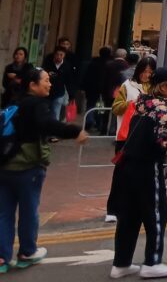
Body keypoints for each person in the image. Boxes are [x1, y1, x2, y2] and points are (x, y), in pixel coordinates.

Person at [0, 67, 87, 271]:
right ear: (33, 85)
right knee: (29, 211)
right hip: (27, 166)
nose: (50, 84)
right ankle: (27, 252)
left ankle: (2, 258)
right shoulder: (37, 105)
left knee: (4, 213)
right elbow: (48, 124)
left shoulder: (14, 102)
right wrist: (75, 131)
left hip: (4, 166)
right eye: (46, 81)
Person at [108, 67, 167, 279]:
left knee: (129, 215)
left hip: (127, 164)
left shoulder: (141, 101)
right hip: (148, 166)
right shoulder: (161, 108)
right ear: (165, 86)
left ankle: (121, 263)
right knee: (157, 213)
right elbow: (165, 142)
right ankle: (152, 262)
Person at [105, 56, 157, 223]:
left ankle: (135, 208)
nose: (147, 75)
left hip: (146, 137)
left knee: (142, 175)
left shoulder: (154, 89)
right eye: (144, 71)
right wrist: (133, 104)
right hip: (126, 136)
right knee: (120, 174)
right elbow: (116, 107)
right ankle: (112, 209)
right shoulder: (127, 86)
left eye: (150, 72)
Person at [41, 47, 72, 122]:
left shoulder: (66, 66)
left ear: (64, 55)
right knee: (44, 111)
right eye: (57, 54)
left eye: (61, 55)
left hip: (59, 93)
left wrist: (71, 94)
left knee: (55, 111)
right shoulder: (48, 63)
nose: (59, 56)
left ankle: (54, 128)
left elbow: (69, 81)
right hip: (46, 92)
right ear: (54, 55)